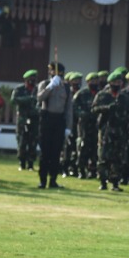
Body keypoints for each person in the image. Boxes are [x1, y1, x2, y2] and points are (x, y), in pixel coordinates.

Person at [93, 68, 129, 191]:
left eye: (119, 82)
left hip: (120, 131)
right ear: (110, 83)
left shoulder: (125, 97)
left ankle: (115, 183)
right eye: (115, 82)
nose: (117, 84)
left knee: (118, 158)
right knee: (103, 157)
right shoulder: (102, 95)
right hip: (105, 131)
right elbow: (94, 109)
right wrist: (106, 108)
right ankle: (103, 182)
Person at [36, 60, 73, 189]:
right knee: (45, 152)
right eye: (50, 70)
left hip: (59, 121)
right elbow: (39, 98)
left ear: (61, 73)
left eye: (54, 71)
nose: (51, 73)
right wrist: (50, 87)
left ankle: (53, 180)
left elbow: (68, 109)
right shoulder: (45, 84)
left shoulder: (66, 88)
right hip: (47, 119)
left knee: (56, 152)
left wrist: (68, 127)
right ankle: (42, 180)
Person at [74, 72, 101, 179]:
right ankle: (81, 169)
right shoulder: (82, 93)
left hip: (96, 125)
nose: (94, 83)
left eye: (96, 81)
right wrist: (82, 114)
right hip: (84, 125)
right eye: (92, 81)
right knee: (83, 146)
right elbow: (74, 107)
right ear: (88, 82)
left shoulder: (100, 93)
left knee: (94, 147)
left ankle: (93, 170)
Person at [13, 71, 40, 171]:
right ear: (26, 79)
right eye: (31, 78)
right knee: (22, 141)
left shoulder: (37, 89)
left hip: (35, 119)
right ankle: (22, 163)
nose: (33, 80)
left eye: (35, 78)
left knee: (33, 141)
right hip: (22, 119)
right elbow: (14, 100)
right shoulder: (19, 89)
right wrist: (28, 99)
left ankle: (31, 164)